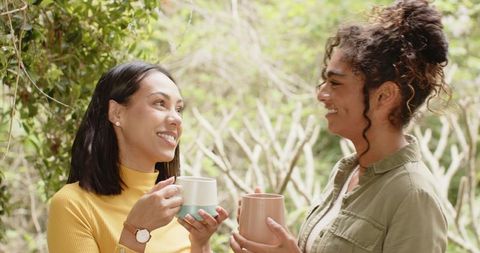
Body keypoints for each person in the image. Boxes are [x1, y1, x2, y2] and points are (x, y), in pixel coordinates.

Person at [230, 0, 449, 252]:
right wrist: (272, 238)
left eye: (335, 83)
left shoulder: (413, 195)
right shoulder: (345, 172)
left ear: (384, 96)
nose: (321, 94)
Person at [47, 61, 229, 253]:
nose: (176, 119)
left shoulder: (181, 201)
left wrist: (200, 244)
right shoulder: (72, 205)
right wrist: (136, 231)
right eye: (160, 103)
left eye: (178, 109)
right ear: (117, 113)